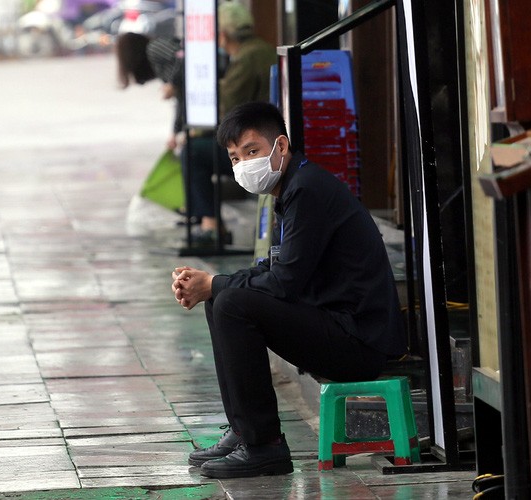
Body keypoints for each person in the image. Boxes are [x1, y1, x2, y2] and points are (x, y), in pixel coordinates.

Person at [171, 102, 407, 479]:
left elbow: (284, 283)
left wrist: (214, 283)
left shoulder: (307, 190)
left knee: (230, 302)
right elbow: (275, 269)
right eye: (235, 158)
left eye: (252, 151)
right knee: (221, 299)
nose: (244, 164)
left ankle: (264, 446)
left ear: (280, 146)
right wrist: (210, 284)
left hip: (359, 342)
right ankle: (244, 431)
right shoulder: (292, 188)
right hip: (335, 325)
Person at [186, 1, 276, 245]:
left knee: (193, 151)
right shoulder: (262, 49)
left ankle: (211, 224)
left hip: (257, 147)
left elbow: (228, 108)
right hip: (266, 138)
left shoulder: (246, 58)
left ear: (223, 35)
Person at [115, 32, 184, 152]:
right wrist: (175, 132)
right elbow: (181, 100)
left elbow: (183, 54)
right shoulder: (158, 63)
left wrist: (173, 83)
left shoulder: (153, 48)